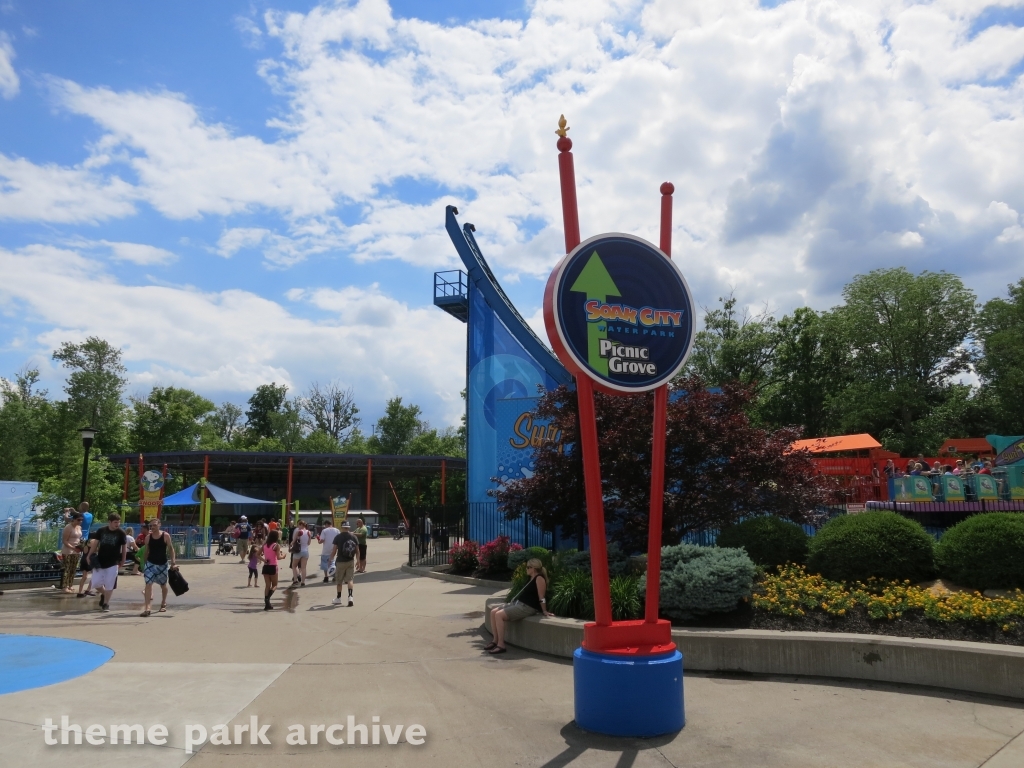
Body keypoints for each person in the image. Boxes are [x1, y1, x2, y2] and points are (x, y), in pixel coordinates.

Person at [485, 558, 553, 655]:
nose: (526, 569)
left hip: (528, 607)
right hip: (519, 604)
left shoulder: (539, 578)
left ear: (533, 568)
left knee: (499, 615)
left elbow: (541, 597)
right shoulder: (531, 578)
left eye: (528, 567)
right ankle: (495, 640)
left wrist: (544, 610)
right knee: (493, 612)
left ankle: (501, 645)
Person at [85, 513, 127, 612]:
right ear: (110, 522)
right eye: (115, 522)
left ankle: (106, 603)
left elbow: (124, 548)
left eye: (119, 522)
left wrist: (123, 560)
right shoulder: (101, 530)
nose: (118, 524)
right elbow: (95, 543)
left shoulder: (121, 533)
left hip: (113, 562)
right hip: (100, 561)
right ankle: (104, 594)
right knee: (95, 583)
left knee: (110, 583)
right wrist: (89, 555)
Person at [140, 518, 177, 617]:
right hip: (150, 564)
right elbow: (146, 551)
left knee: (163, 585)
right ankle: (147, 608)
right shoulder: (148, 537)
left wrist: (173, 563)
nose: (152, 527)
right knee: (148, 584)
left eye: (154, 525)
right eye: (151, 526)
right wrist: (144, 564)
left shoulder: (165, 536)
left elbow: (171, 549)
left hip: (162, 564)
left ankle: (163, 603)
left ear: (159, 525)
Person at [330, 521, 359, 606]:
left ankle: (338, 598)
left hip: (340, 561)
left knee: (339, 580)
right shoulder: (354, 537)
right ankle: (350, 597)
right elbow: (357, 551)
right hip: (350, 561)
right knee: (350, 580)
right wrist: (357, 561)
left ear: (342, 527)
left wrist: (330, 559)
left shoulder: (338, 537)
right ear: (349, 527)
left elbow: (334, 550)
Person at [59, 511, 84, 593]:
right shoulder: (68, 527)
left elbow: (79, 538)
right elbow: (65, 541)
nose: (80, 521)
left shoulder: (79, 527)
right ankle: (64, 586)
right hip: (68, 550)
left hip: (77, 550)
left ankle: (70, 585)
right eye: (78, 520)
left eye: (81, 520)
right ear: (73, 519)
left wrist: (81, 545)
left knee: (73, 568)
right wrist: (73, 548)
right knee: (67, 568)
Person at [262, 530, 285, 611]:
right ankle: (267, 598)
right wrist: (283, 556)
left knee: (267, 585)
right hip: (273, 566)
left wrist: (264, 560)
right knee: (275, 585)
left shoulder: (264, 545)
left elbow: (257, 554)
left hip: (265, 566)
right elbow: (278, 557)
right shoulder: (276, 545)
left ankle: (267, 604)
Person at [318, 519, 340, 583]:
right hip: (334, 549)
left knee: (325, 563)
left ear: (326, 524)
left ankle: (326, 577)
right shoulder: (337, 530)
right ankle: (334, 575)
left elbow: (321, 540)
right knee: (333, 563)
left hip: (326, 549)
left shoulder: (324, 531)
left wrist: (319, 541)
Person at [290, 520, 311, 586]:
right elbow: (309, 543)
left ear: (301, 525)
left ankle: (295, 580)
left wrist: (290, 545)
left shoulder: (299, 532)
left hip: (298, 551)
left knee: (294, 566)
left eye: (299, 525)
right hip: (305, 551)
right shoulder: (309, 532)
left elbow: (293, 541)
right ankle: (303, 582)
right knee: (303, 567)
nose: (298, 527)